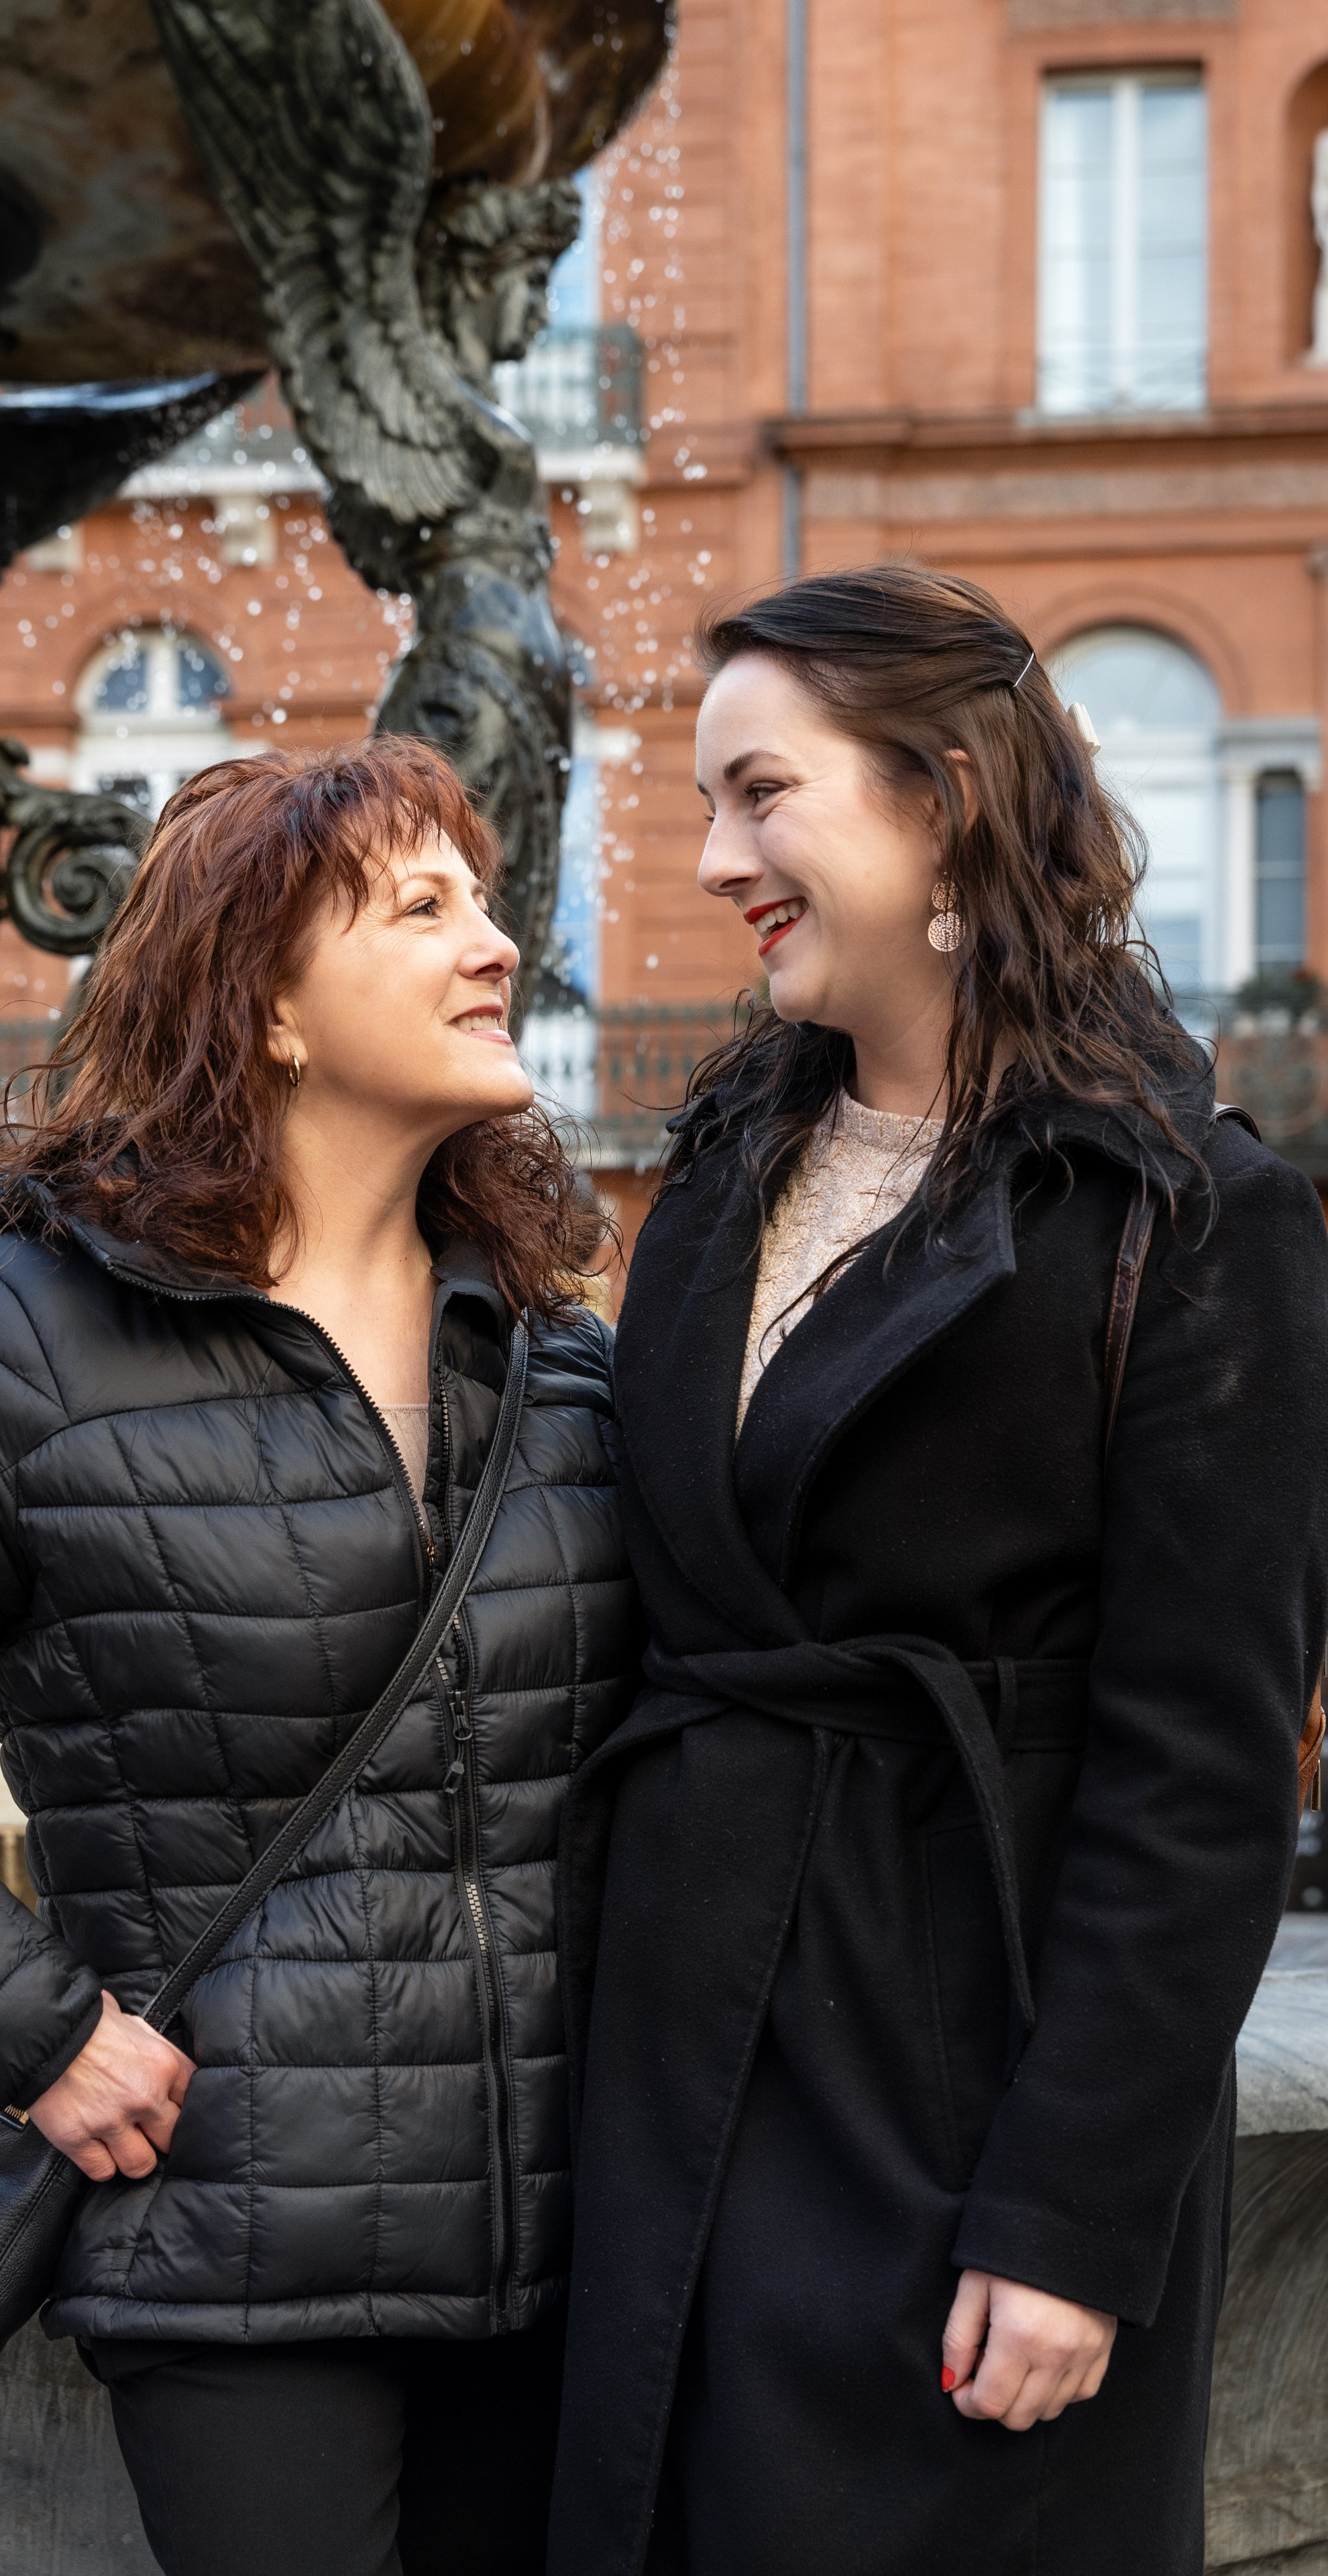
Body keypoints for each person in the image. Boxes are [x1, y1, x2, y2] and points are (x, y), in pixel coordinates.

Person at [0, 736, 638, 2576]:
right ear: (265, 1004)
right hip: (245, 2270)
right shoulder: (33, 1339)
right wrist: (31, 2032)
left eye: (488, 903)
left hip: (581, 2252)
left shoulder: (555, 1359)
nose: (498, 944)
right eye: (424, 908)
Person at [549, 568, 1328, 2576]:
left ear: (948, 796)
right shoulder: (728, 1159)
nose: (716, 858)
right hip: (682, 2055)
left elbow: (1206, 1776)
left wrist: (1069, 2219)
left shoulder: (1195, 1210)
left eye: (762, 793)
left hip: (960, 2077)